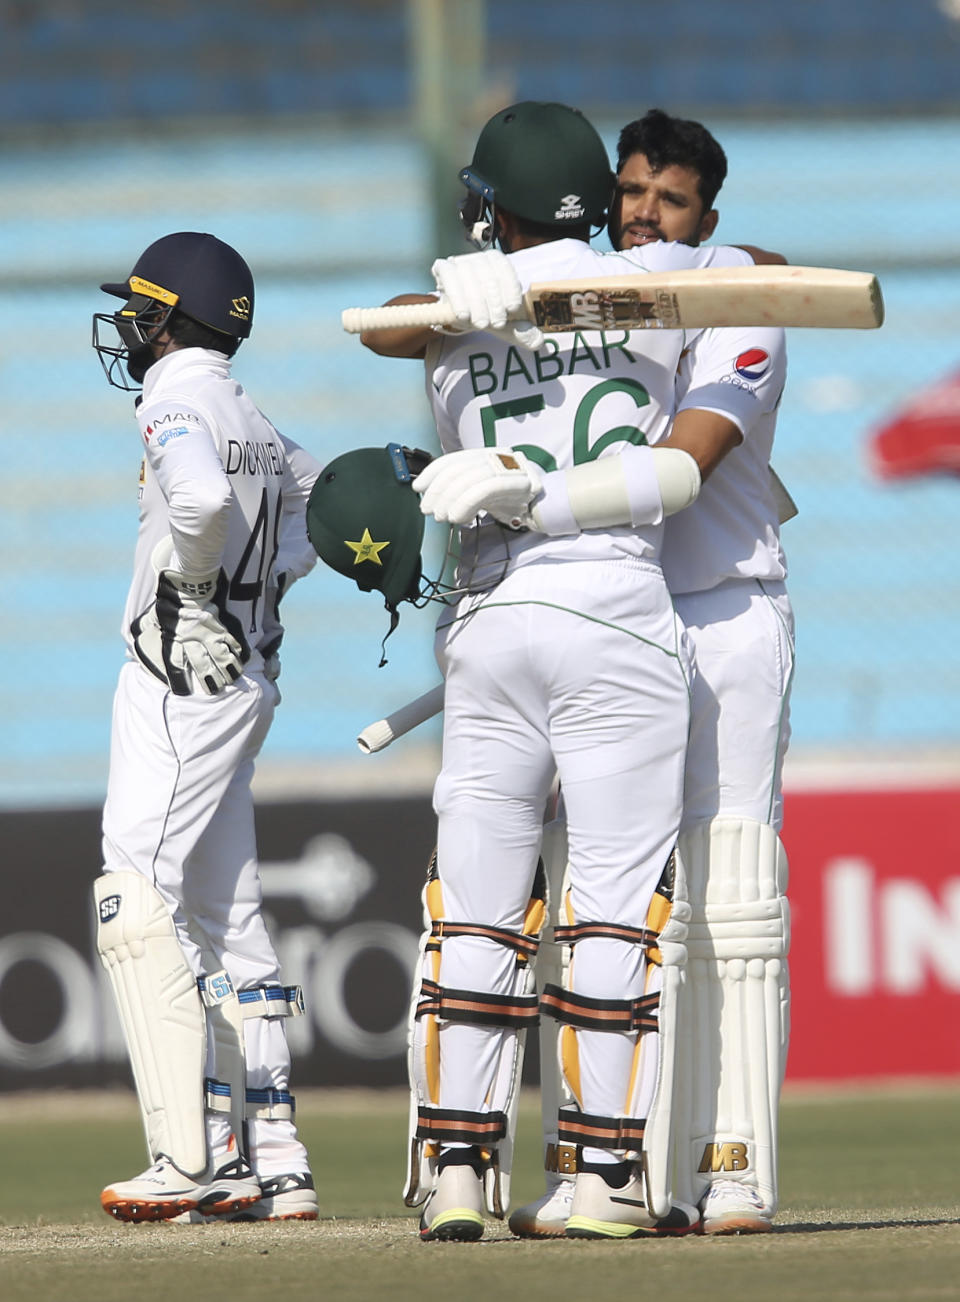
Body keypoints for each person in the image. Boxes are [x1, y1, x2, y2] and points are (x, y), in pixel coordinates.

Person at [357, 100, 784, 1242]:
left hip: (493, 621)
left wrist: (456, 292)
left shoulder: (453, 316)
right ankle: (598, 1178)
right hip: (618, 611)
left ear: (487, 203)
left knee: (478, 909)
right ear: (603, 200)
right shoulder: (662, 299)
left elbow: (381, 328)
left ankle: (456, 1171)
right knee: (608, 910)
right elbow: (688, 451)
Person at [509, 108, 794, 1238]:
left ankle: (733, 1169)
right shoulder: (582, 298)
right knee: (619, 901)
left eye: (669, 202)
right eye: (630, 194)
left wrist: (717, 268)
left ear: (707, 220)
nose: (642, 216)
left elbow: (697, 452)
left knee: (731, 889)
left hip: (724, 608)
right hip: (607, 616)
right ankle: (619, 1167)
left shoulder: (737, 292)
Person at [91, 231, 321, 1223]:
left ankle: (193, 1153)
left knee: (137, 900)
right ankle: (278, 1157)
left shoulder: (175, 394)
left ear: (174, 318)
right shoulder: (256, 419)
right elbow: (310, 530)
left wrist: (191, 590)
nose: (130, 325)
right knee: (233, 921)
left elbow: (195, 497)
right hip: (243, 679)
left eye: (143, 307)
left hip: (180, 684)